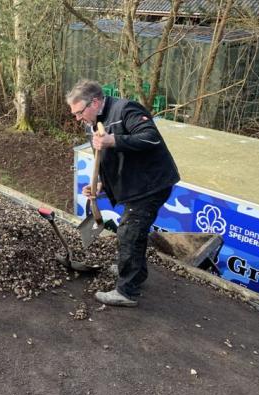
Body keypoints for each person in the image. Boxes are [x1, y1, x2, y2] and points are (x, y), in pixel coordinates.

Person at [67, 79, 180, 307]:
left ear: (95, 102)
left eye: (79, 112)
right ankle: (134, 274)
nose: (78, 118)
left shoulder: (126, 110)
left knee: (128, 232)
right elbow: (109, 160)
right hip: (136, 184)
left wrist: (113, 139)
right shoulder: (94, 121)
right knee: (134, 233)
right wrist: (101, 185)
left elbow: (150, 137)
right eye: (75, 114)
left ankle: (126, 291)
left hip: (151, 185)